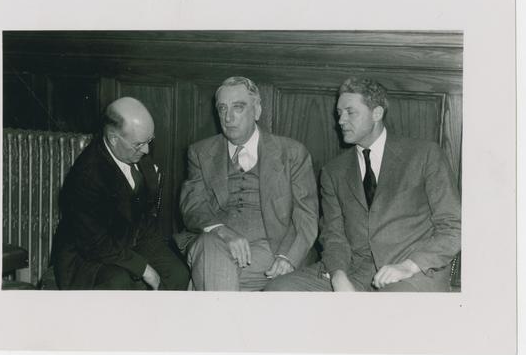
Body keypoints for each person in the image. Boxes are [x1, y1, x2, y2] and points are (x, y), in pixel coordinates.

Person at [266, 77, 461, 292]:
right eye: (339, 113)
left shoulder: (424, 155)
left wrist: (408, 266)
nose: (340, 120)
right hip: (355, 270)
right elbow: (334, 235)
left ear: (376, 114)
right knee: (279, 289)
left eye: (350, 112)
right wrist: (338, 276)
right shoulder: (333, 172)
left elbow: (454, 227)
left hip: (412, 271)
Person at [179, 76, 319, 291]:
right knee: (209, 248)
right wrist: (223, 231)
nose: (228, 117)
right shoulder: (200, 152)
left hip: (271, 249)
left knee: (208, 272)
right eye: (222, 108)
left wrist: (287, 257)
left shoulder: (291, 152)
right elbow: (192, 207)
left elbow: (306, 215)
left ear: (257, 110)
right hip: (214, 242)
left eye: (238, 107)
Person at [51, 97, 189, 290]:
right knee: (120, 282)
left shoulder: (137, 151)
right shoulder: (86, 176)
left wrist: (159, 257)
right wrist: (146, 270)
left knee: (178, 274)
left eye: (150, 140)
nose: (147, 149)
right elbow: (96, 244)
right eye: (139, 144)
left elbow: (145, 215)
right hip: (87, 255)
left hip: (131, 239)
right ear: (114, 138)